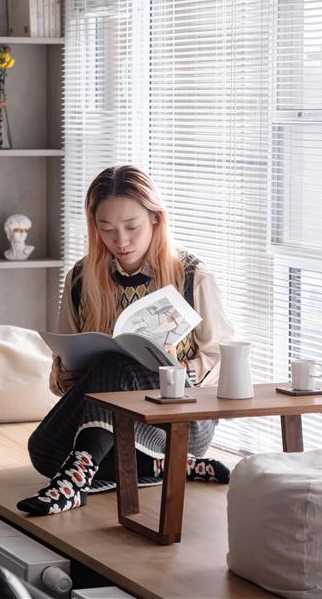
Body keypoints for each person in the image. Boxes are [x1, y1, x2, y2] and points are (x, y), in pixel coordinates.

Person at [17, 165, 235, 516]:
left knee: (116, 362)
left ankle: (73, 484)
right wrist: (67, 375)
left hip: (177, 419)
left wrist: (178, 369)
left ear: (155, 219)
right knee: (43, 450)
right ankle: (165, 465)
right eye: (107, 229)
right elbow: (60, 379)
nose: (121, 241)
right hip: (108, 420)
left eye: (132, 227)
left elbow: (222, 363)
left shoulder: (192, 276)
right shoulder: (80, 278)